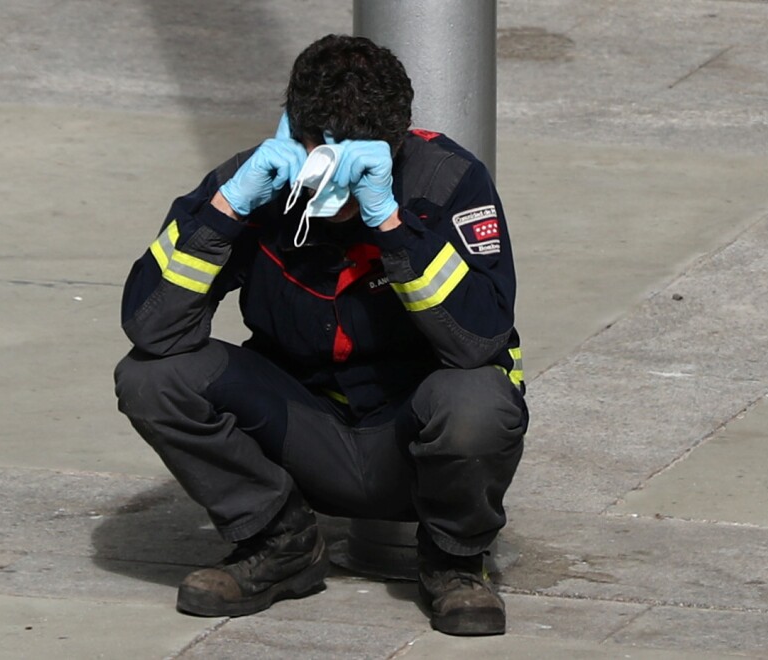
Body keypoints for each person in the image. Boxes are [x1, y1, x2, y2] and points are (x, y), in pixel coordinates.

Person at [114, 34, 527, 637]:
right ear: (295, 132)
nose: (335, 175)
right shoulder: (256, 182)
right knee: (151, 377)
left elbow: (477, 342)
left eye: (361, 154)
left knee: (478, 400)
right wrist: (229, 208)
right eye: (322, 150)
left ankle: (455, 562)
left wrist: (389, 222)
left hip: (409, 442)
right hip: (299, 429)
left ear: (398, 140)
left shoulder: (448, 182)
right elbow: (151, 328)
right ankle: (279, 542)